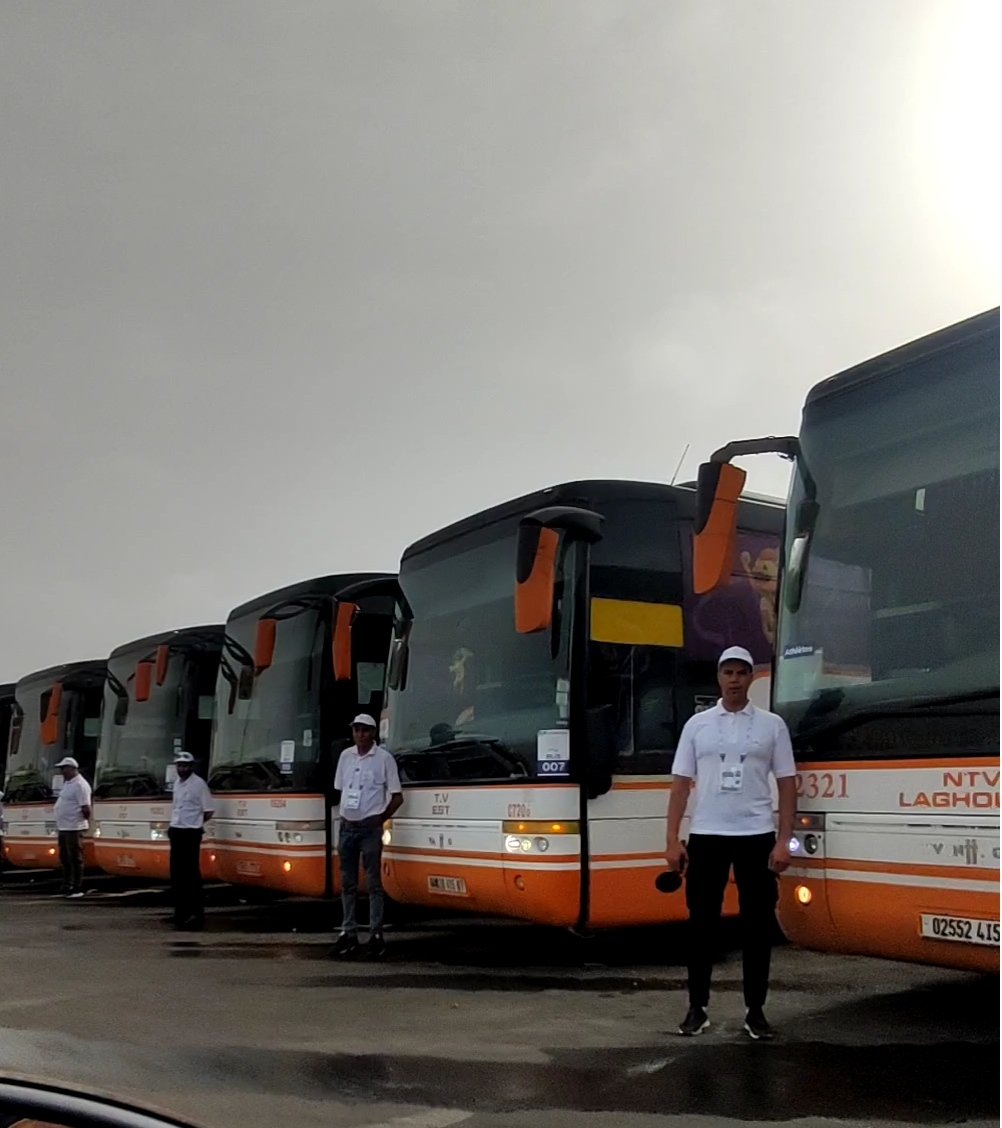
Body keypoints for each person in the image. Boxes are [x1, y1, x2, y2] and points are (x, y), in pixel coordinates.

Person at [666, 646, 796, 1040]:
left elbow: (787, 784)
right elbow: (680, 785)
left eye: (742, 672)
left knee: (757, 925)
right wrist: (672, 839)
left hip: (756, 835)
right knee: (701, 924)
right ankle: (697, 1008)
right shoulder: (698, 725)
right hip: (707, 835)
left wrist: (784, 839)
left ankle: (755, 1011)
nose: (735, 679)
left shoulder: (772, 726)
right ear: (718, 677)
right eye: (728, 672)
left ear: (751, 677)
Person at [330, 713, 403, 960]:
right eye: (357, 730)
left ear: (373, 733)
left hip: (369, 828)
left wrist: (380, 818)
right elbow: (341, 789)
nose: (360, 734)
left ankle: (375, 934)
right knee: (347, 883)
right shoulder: (345, 756)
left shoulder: (384, 759)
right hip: (347, 826)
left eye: (365, 730)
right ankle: (349, 932)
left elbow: (397, 796)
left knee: (373, 883)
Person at [168, 750, 214, 930]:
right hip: (176, 829)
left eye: (186, 766)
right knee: (177, 874)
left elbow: (208, 810)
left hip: (190, 832)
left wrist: (195, 823)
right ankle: (180, 912)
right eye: (179, 765)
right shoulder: (177, 784)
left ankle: (196, 913)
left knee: (191, 874)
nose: (182, 769)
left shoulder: (199, 784)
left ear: (191, 767)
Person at [53, 757, 91, 899]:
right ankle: (66, 884)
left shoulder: (80, 785)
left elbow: (85, 808)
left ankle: (77, 886)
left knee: (75, 857)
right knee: (65, 857)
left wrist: (80, 821)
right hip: (64, 827)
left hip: (74, 827)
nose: (62, 771)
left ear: (72, 768)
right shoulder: (68, 784)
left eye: (64, 768)